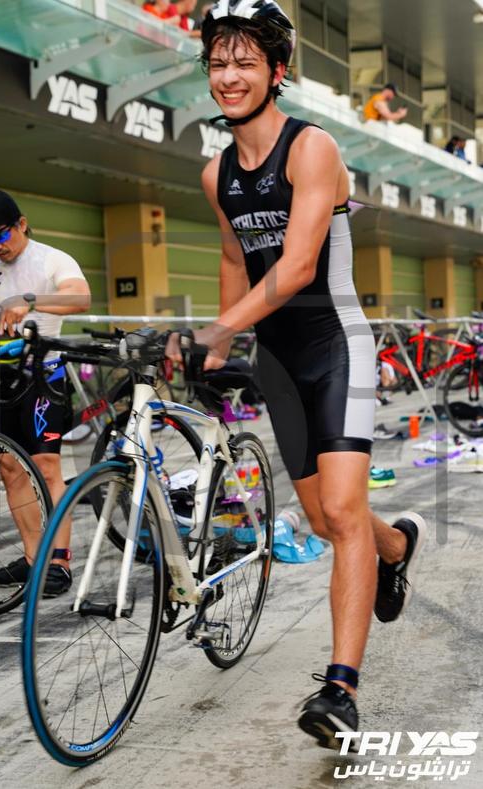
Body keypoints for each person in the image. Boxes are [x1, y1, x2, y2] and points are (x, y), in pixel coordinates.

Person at [168, 0, 427, 748]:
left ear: (277, 70)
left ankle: (340, 691)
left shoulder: (312, 149)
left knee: (342, 512)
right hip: (278, 362)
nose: (229, 76)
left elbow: (300, 264)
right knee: (323, 520)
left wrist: (220, 328)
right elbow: (234, 256)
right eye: (218, 62)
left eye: (245, 62)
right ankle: (395, 548)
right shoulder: (217, 174)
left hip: (337, 345)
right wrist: (223, 347)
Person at [0, 189, 91, 596]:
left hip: (44, 375)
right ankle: (34, 559)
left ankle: (59, 563)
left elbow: (80, 297)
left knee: (47, 466)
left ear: (21, 224)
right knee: (9, 467)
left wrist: (30, 300)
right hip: (2, 378)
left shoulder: (52, 259)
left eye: (2, 235)